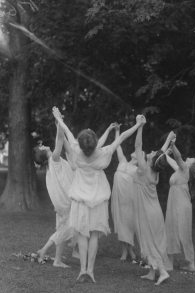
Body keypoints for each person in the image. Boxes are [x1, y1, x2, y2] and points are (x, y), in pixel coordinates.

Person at [53, 107, 143, 283]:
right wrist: (138, 124)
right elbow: (123, 136)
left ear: (81, 143)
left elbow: (66, 132)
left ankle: (83, 270)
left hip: (80, 199)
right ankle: (91, 271)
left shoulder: (76, 151)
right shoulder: (104, 153)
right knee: (94, 235)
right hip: (98, 199)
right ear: (95, 143)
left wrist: (58, 119)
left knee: (83, 236)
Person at [133, 122, 174, 285]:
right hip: (154, 211)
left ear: (150, 161)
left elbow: (138, 145)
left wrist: (140, 126)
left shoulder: (144, 169)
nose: (149, 152)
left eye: (150, 154)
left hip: (147, 213)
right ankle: (152, 272)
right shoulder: (155, 169)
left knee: (150, 242)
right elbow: (160, 154)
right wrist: (169, 139)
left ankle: (162, 272)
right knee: (153, 241)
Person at [36, 113, 75, 268]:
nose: (44, 145)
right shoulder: (54, 159)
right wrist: (59, 120)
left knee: (62, 228)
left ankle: (57, 260)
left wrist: (58, 122)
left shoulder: (50, 166)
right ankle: (43, 250)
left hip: (61, 203)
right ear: (43, 153)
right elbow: (59, 140)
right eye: (42, 147)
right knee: (67, 228)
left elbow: (60, 138)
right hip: (67, 201)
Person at [164, 137, 195, 272]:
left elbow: (178, 157)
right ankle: (170, 262)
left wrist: (173, 145)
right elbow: (173, 161)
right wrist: (166, 154)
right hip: (174, 204)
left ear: (190, 165)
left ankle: (191, 263)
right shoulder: (180, 169)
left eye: (191, 158)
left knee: (184, 232)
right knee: (171, 230)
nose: (189, 157)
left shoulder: (184, 169)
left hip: (182, 206)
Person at [111, 142, 138, 263]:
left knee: (129, 224)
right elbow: (118, 147)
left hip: (129, 199)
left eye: (140, 152)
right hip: (118, 199)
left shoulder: (138, 169)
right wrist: (117, 132)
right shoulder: (123, 161)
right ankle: (124, 250)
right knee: (121, 223)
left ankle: (130, 249)